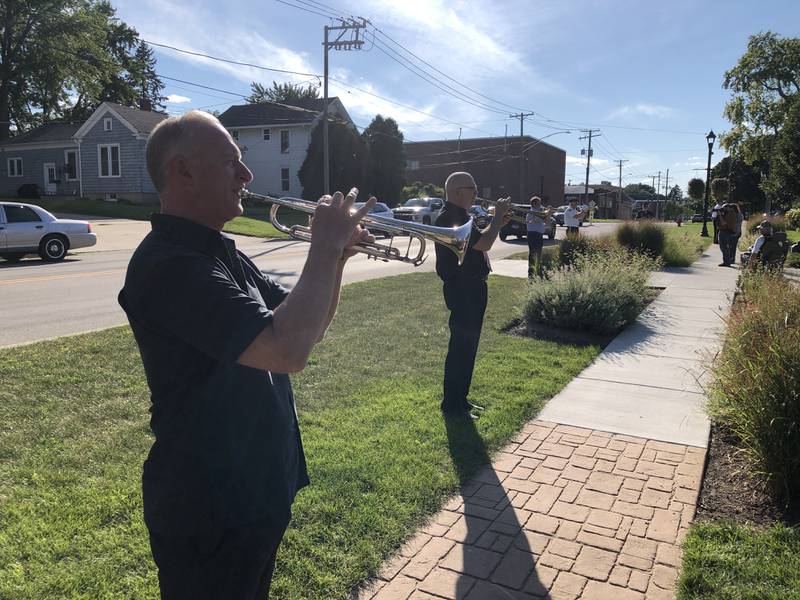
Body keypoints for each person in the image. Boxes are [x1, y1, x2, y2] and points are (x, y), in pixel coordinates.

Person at [117, 110, 374, 599]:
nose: (247, 175)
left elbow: (307, 329)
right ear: (183, 171)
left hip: (256, 487)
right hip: (208, 505)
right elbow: (286, 350)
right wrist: (322, 247)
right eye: (231, 161)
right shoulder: (168, 265)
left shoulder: (221, 253)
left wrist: (335, 258)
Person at [434, 172, 510, 419]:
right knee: (461, 349)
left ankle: (461, 400)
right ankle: (452, 405)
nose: (477, 193)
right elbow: (484, 244)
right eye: (473, 188)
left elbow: (480, 240)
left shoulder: (462, 216)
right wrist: (497, 218)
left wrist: (498, 223)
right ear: (457, 192)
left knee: (467, 348)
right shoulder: (451, 217)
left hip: (472, 288)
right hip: (464, 289)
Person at [525, 196, 550, 278]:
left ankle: (538, 271)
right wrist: (543, 215)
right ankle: (531, 273)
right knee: (533, 254)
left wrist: (548, 214)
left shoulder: (541, 212)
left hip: (539, 235)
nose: (540, 205)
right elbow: (533, 221)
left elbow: (546, 223)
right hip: (533, 235)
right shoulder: (530, 213)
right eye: (539, 203)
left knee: (538, 254)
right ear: (534, 204)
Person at [717, 202, 739, 266]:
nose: (723, 210)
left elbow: (724, 223)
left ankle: (727, 262)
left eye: (724, 208)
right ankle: (727, 260)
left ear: (728, 208)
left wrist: (720, 215)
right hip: (726, 231)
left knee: (724, 247)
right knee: (724, 247)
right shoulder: (731, 213)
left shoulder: (730, 214)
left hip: (725, 231)